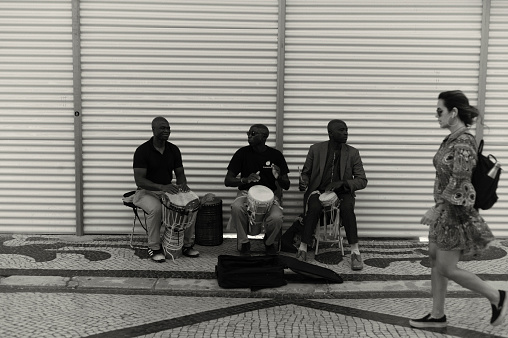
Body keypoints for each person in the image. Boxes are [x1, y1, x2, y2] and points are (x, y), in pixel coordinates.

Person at [409, 90, 506, 328]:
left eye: (439, 111)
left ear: (454, 112)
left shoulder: (464, 142)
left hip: (453, 213)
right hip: (443, 210)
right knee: (434, 257)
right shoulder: (451, 139)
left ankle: (497, 297)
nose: (437, 115)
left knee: (446, 267)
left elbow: (461, 182)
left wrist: (438, 208)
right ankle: (437, 315)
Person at [298, 119, 368, 270]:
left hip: (342, 192)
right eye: (341, 130)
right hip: (319, 190)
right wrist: (303, 181)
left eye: (346, 130)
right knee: (314, 208)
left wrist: (343, 183)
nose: (345, 133)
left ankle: (355, 252)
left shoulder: (352, 152)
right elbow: (306, 173)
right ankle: (303, 248)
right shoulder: (315, 149)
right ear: (330, 133)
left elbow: (362, 180)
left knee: (347, 209)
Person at [132, 117, 200, 263]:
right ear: (153, 129)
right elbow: (140, 180)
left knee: (190, 207)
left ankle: (187, 245)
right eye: (162, 128)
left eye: (168, 128)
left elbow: (180, 174)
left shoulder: (173, 149)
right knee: (156, 209)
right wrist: (161, 187)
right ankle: (154, 247)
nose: (166, 131)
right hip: (145, 192)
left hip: (167, 191)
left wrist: (183, 188)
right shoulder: (142, 151)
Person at [225, 124, 290, 256]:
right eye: (248, 133)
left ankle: (269, 242)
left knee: (277, 217)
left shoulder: (276, 155)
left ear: (264, 137)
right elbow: (228, 181)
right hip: (246, 194)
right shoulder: (242, 153)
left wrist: (279, 178)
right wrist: (244, 180)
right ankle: (244, 242)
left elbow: (287, 185)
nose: (249, 136)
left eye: (253, 133)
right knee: (237, 207)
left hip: (270, 196)